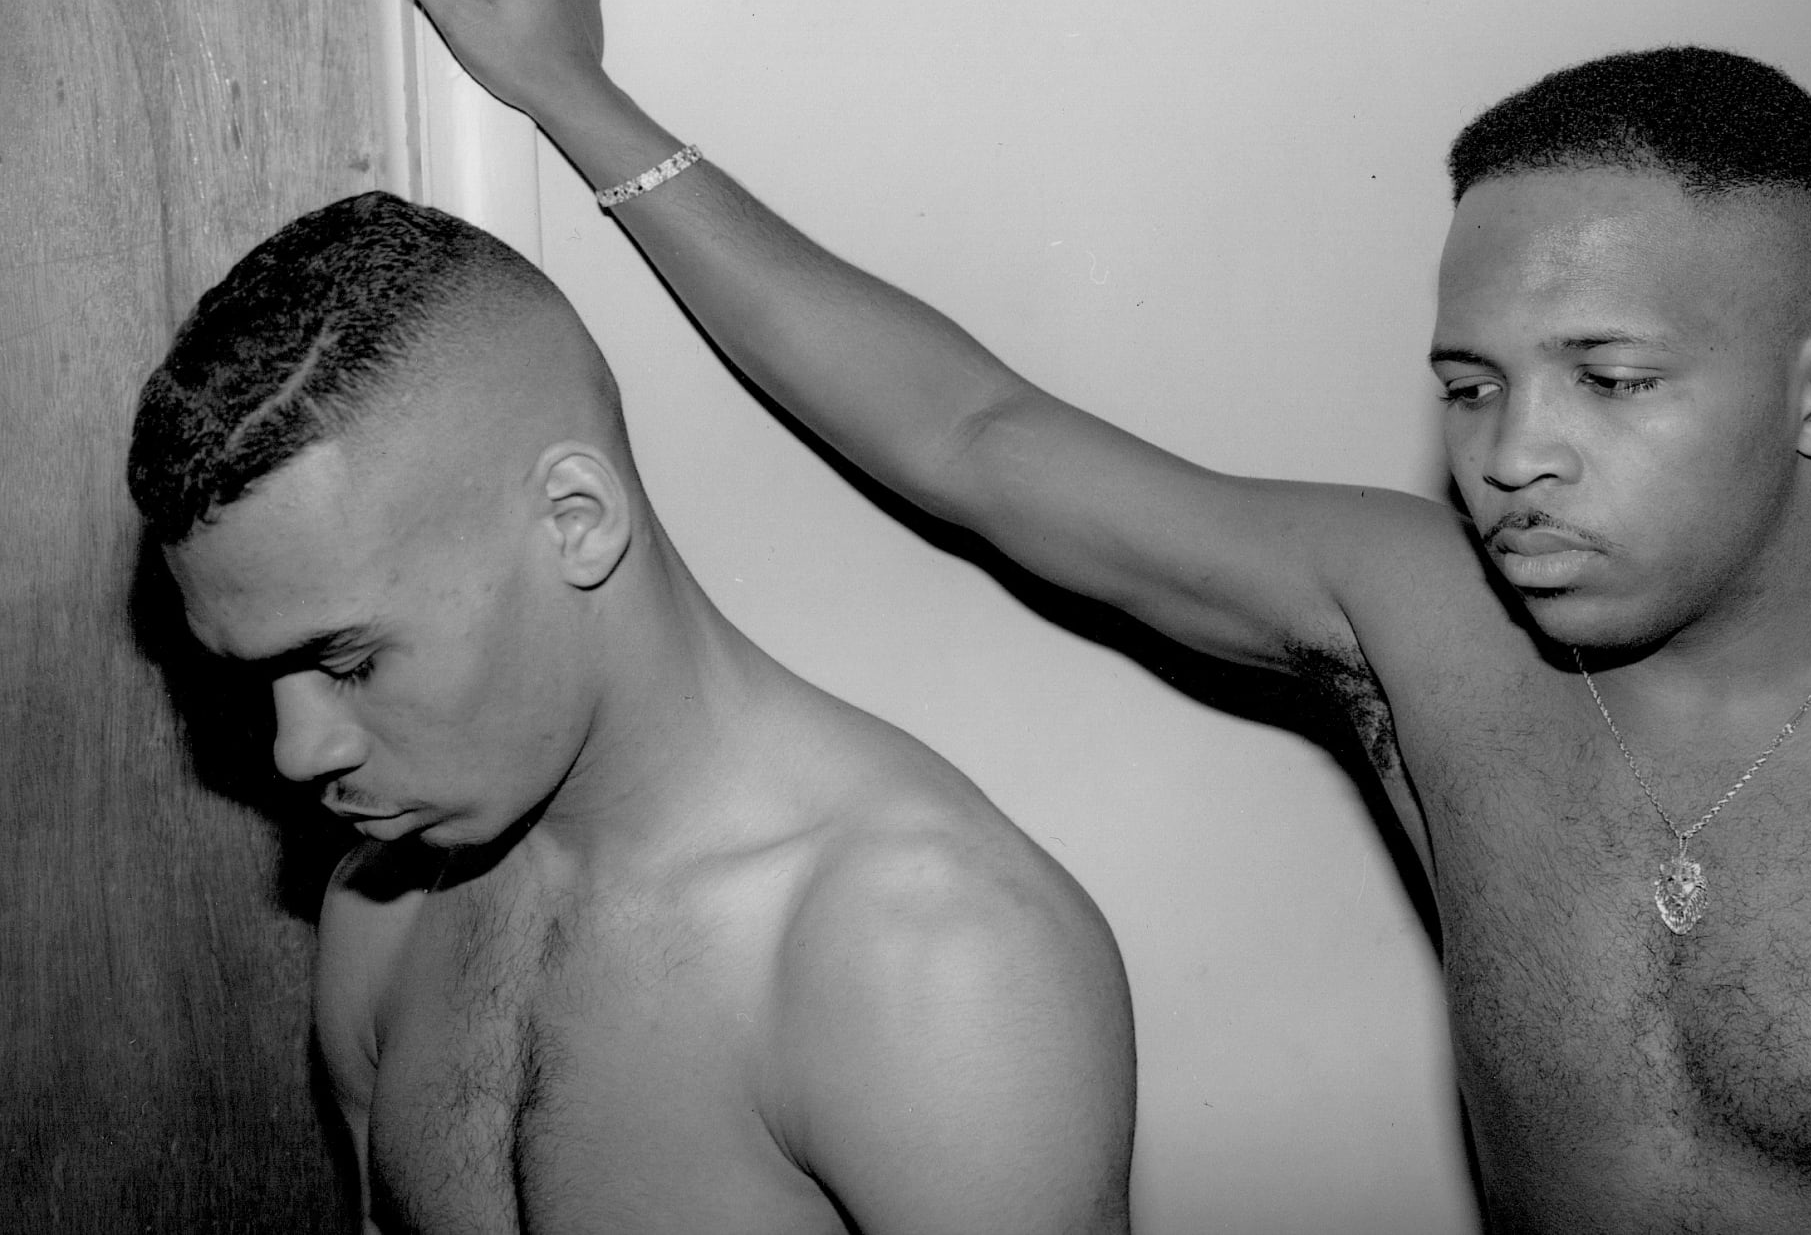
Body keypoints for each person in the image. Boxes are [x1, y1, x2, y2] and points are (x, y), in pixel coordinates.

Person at [365, 0, 1811, 1232]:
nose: (1515, 454)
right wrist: (574, 96)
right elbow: (974, 434)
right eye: (1472, 385)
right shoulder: (1434, 633)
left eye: (1613, 379)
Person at [125, 192, 1135, 1233]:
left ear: (575, 521)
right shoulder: (383, 913)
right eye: (257, 679)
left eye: (349, 662)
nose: (297, 751)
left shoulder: (928, 957)